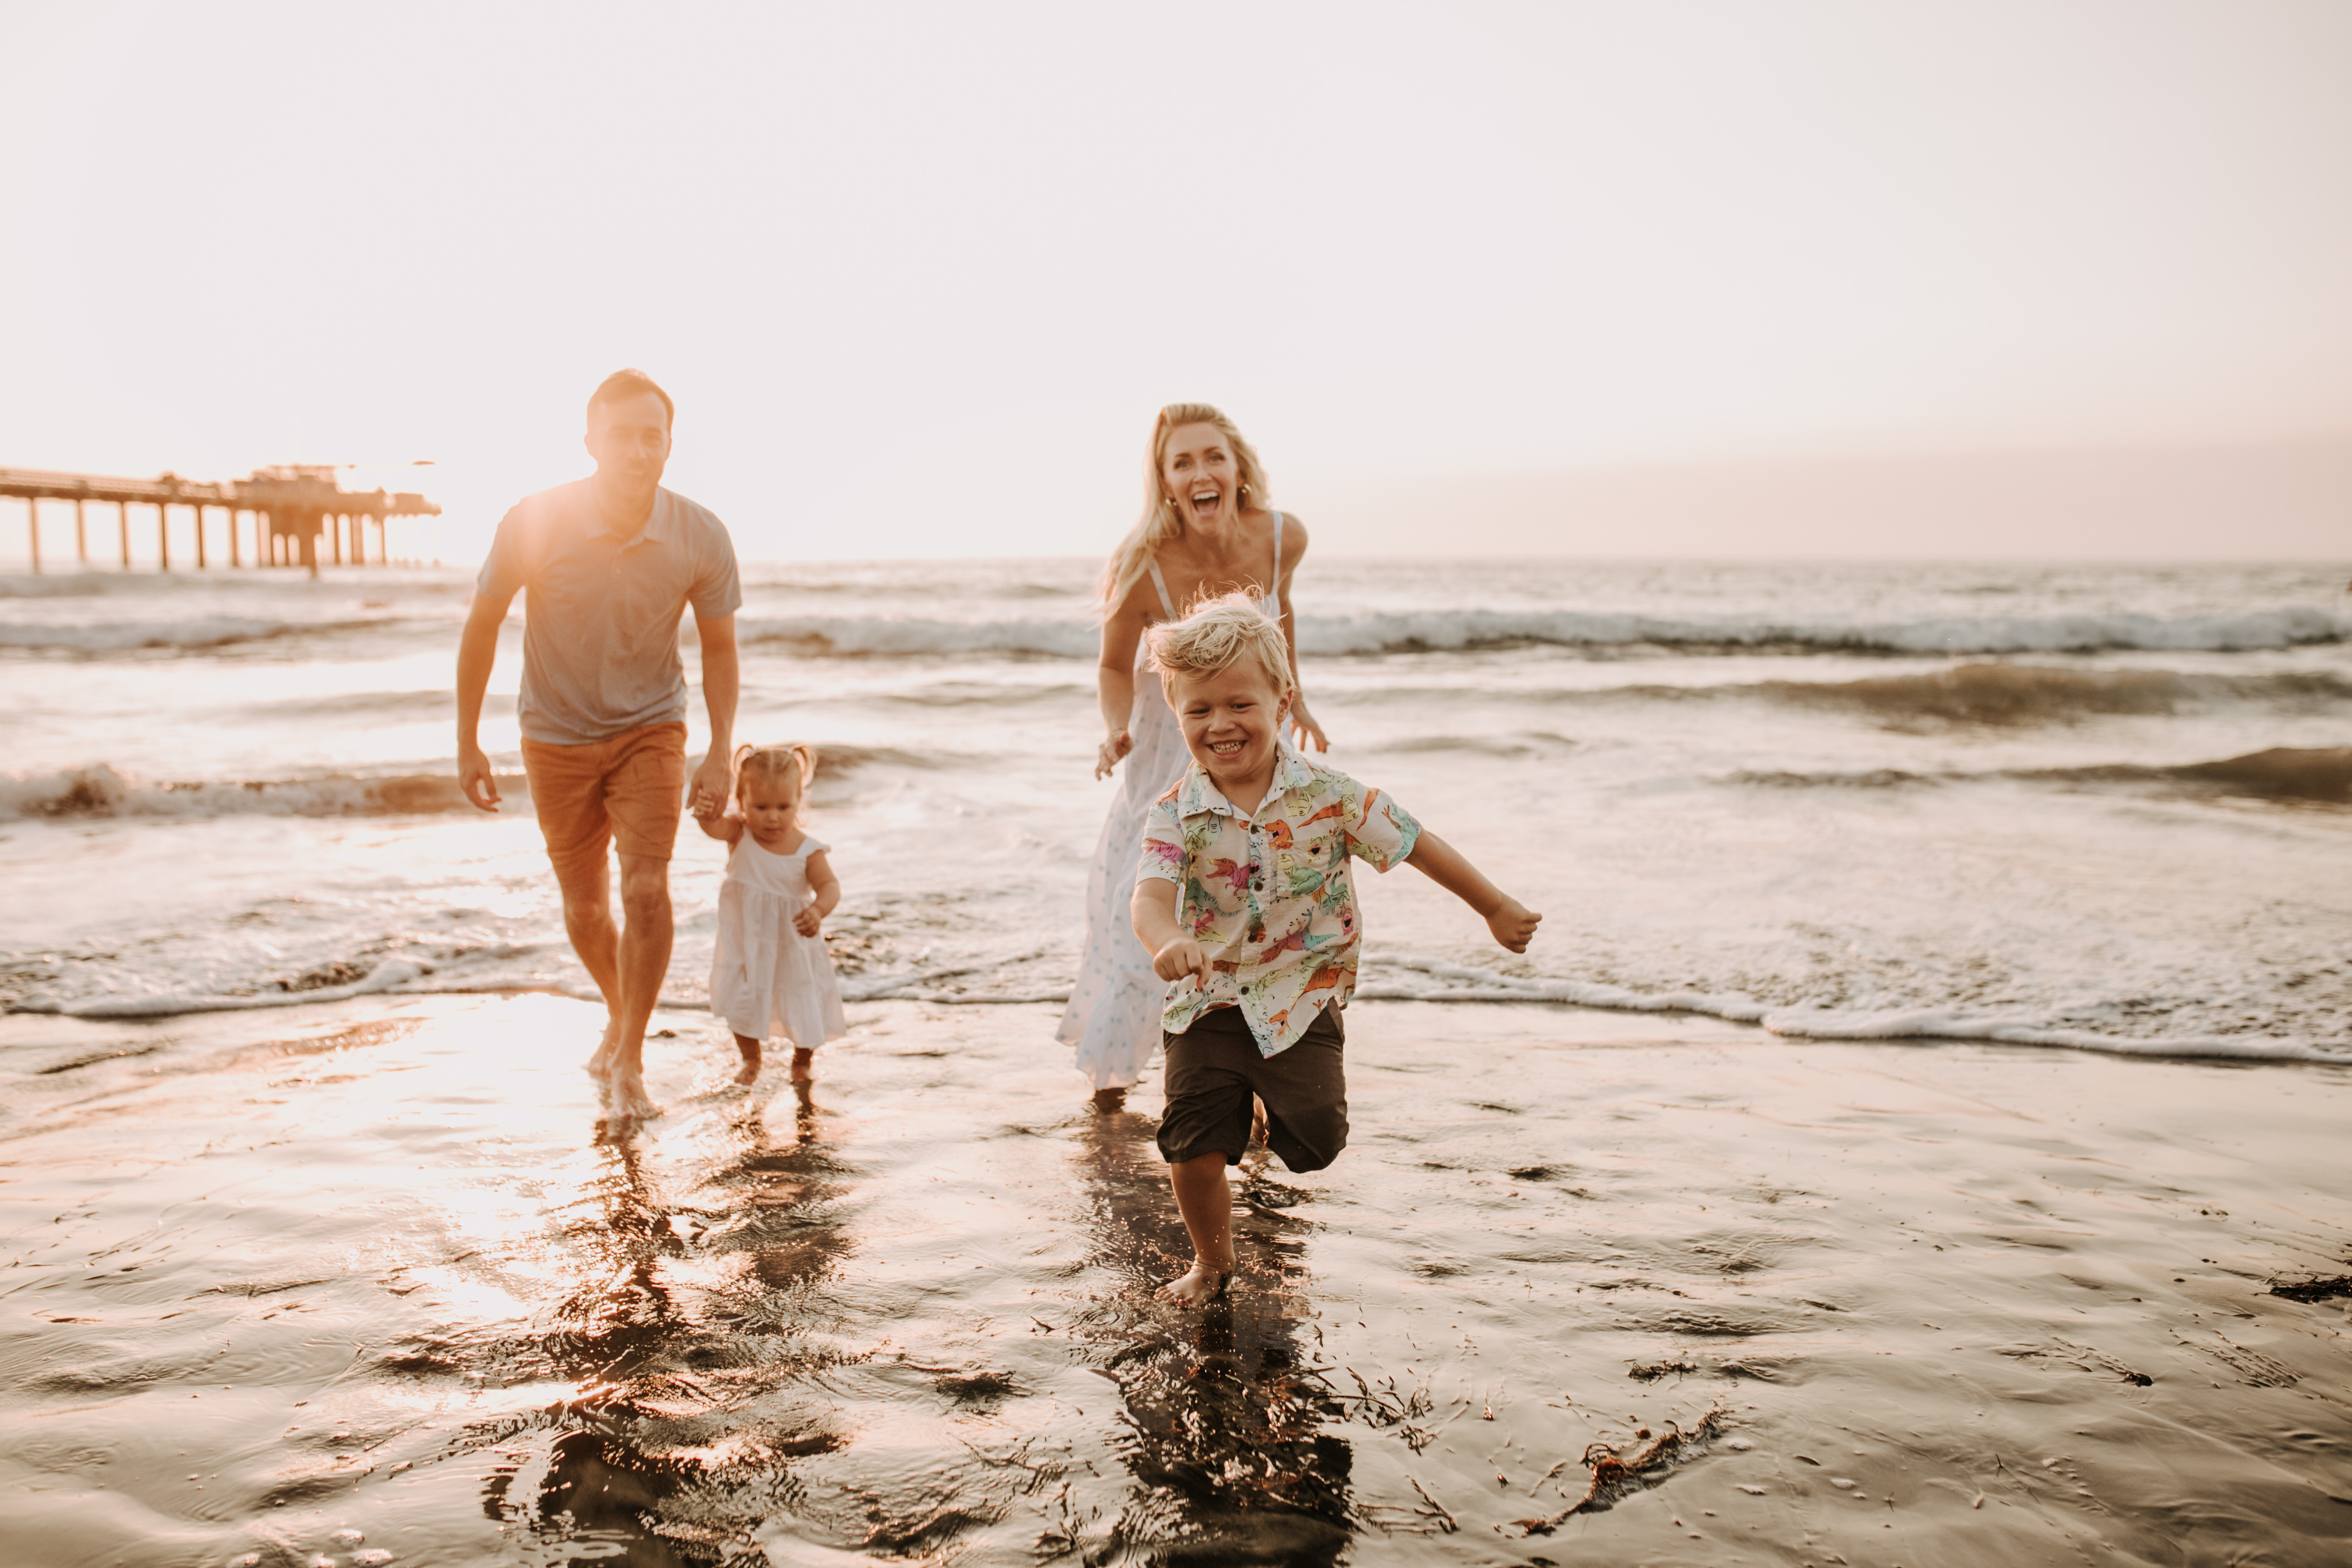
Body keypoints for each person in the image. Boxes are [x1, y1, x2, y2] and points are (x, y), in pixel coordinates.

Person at [1130, 595, 1542, 1307]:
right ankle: (1212, 1263)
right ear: (1177, 716)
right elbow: (1150, 897)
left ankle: (1261, 1112)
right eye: (1199, 711)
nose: (1221, 725)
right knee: (1192, 1142)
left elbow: (1416, 844)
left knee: (1316, 1145)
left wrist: (1494, 906)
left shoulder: (1331, 796)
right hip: (1208, 999)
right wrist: (1167, 940)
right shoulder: (1175, 811)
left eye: (1239, 705)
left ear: (1282, 700)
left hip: (1302, 995)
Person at [455, 368, 742, 1123]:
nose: (639, 452)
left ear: (670, 444)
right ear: (591, 442)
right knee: (585, 911)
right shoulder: (533, 522)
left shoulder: (700, 533)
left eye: (654, 437)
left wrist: (720, 750)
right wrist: (468, 741)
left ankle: (632, 1056)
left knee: (646, 888)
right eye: (623, 436)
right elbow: (482, 625)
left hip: (652, 726)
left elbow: (719, 649)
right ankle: (620, 1012)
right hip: (552, 735)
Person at [1058, 404, 1329, 1113]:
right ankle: (1111, 1086)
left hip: (1252, 737)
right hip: (1167, 746)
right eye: (1182, 462)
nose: (1200, 472)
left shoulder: (1281, 537)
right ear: (1166, 482)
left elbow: (1281, 619)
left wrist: (1293, 699)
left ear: (1237, 468)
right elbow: (1116, 666)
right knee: (1143, 907)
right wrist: (1115, 729)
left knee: (1260, 904)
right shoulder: (1142, 562)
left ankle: (1258, 1072)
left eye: (1213, 457)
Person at [694, 742, 847, 1087]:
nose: (772, 816)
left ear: (798, 803)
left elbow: (830, 887)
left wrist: (818, 910)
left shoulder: (808, 850)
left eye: (783, 806)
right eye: (760, 806)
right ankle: (750, 1059)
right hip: (746, 943)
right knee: (741, 1000)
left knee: (803, 1001)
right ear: (742, 801)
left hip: (792, 945)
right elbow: (712, 827)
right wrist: (706, 811)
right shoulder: (739, 834)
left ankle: (802, 1061)